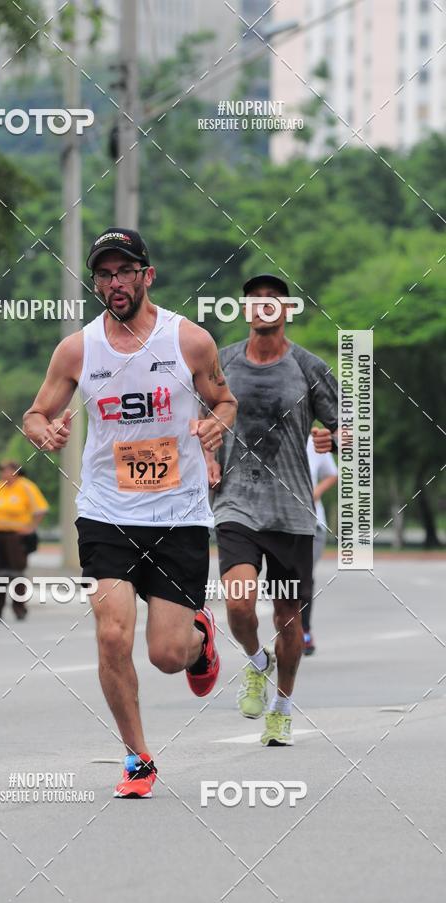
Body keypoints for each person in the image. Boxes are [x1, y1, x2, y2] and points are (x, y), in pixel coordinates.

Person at [23, 227, 237, 799]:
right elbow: (36, 413)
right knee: (112, 636)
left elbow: (224, 398)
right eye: (104, 273)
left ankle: (200, 640)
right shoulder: (77, 350)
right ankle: (138, 757)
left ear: (148, 275)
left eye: (124, 271)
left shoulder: (189, 342)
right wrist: (47, 430)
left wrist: (217, 423)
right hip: (106, 512)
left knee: (167, 655)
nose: (114, 282)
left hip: (179, 515)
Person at [206, 273, 337, 747]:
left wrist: (333, 436)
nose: (262, 307)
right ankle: (256, 662)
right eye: (254, 301)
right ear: (244, 310)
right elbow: (198, 421)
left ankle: (282, 707)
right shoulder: (221, 363)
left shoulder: (308, 367)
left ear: (287, 310)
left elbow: (353, 428)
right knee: (239, 604)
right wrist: (206, 459)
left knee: (289, 621)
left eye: (272, 301)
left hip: (292, 511)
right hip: (236, 504)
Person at [0, 460, 49, 620]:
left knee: (16, 573)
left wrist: (31, 527)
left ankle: (19, 608)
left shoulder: (26, 486)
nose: (2, 474)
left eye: (5, 470)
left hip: (16, 536)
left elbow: (41, 509)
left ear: (15, 471)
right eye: (1, 471)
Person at [301, 433, 338, 655]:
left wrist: (315, 493)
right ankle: (287, 627)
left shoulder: (314, 441)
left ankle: (304, 630)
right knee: (284, 579)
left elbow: (332, 475)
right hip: (280, 525)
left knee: (304, 575)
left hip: (313, 525)